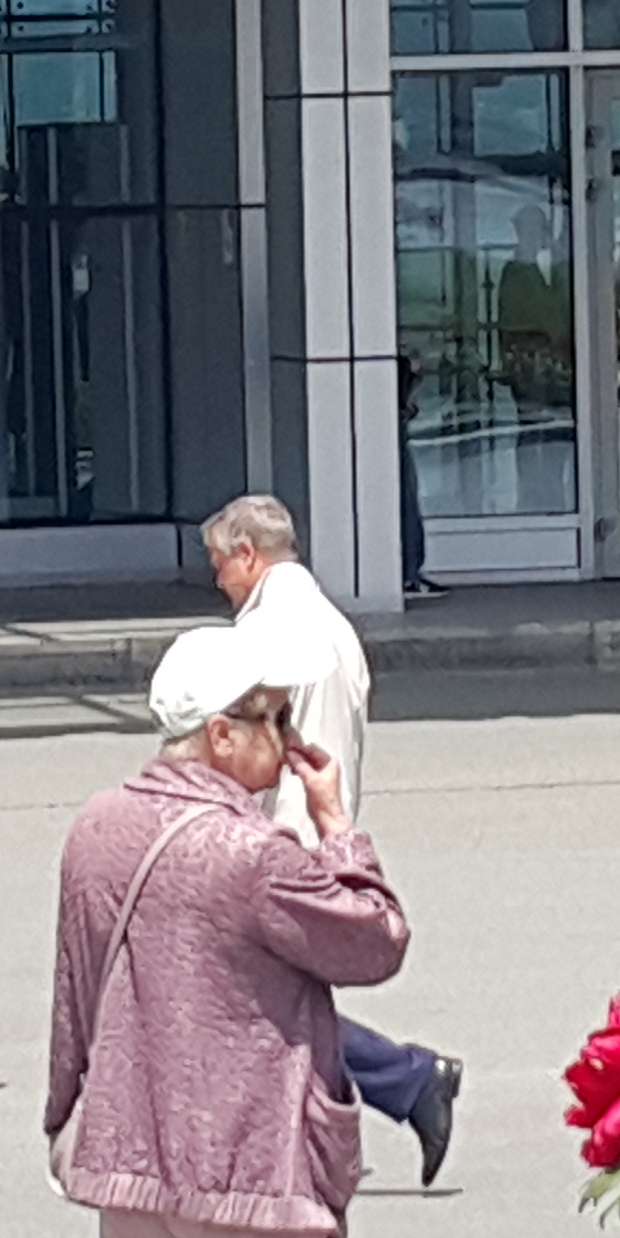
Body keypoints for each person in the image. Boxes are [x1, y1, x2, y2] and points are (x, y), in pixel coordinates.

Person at [44, 629, 409, 1238]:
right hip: (253, 1173)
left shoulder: (96, 828)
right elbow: (377, 940)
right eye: (272, 720)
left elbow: (74, 989)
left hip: (132, 1167)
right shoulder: (252, 854)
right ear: (220, 734)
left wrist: (64, 1117)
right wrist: (337, 827)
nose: (287, 742)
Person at [201, 496, 465, 1183]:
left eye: (220, 562)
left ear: (248, 556)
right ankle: (396, 1089)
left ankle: (405, 1081)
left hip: (281, 834)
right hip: (316, 823)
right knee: (267, 1002)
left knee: (250, 1003)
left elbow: (257, 745)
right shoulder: (327, 623)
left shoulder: (273, 632)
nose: (218, 579)